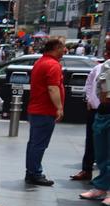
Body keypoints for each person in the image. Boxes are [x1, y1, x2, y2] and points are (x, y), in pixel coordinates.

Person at [24, 38, 65, 187]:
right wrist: (59, 107)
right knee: (39, 144)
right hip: (44, 110)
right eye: (63, 47)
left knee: (34, 143)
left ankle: (31, 172)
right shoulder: (53, 65)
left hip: (37, 109)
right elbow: (52, 88)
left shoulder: (40, 62)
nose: (65, 50)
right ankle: (35, 173)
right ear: (56, 47)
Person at [73, 51, 110, 181]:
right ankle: (86, 170)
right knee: (91, 141)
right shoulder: (98, 68)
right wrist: (89, 99)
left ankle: (103, 178)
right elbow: (89, 84)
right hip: (95, 109)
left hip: (107, 109)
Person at [79, 58, 110, 206]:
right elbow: (95, 84)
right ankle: (101, 187)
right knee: (101, 152)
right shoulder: (105, 65)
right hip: (103, 111)